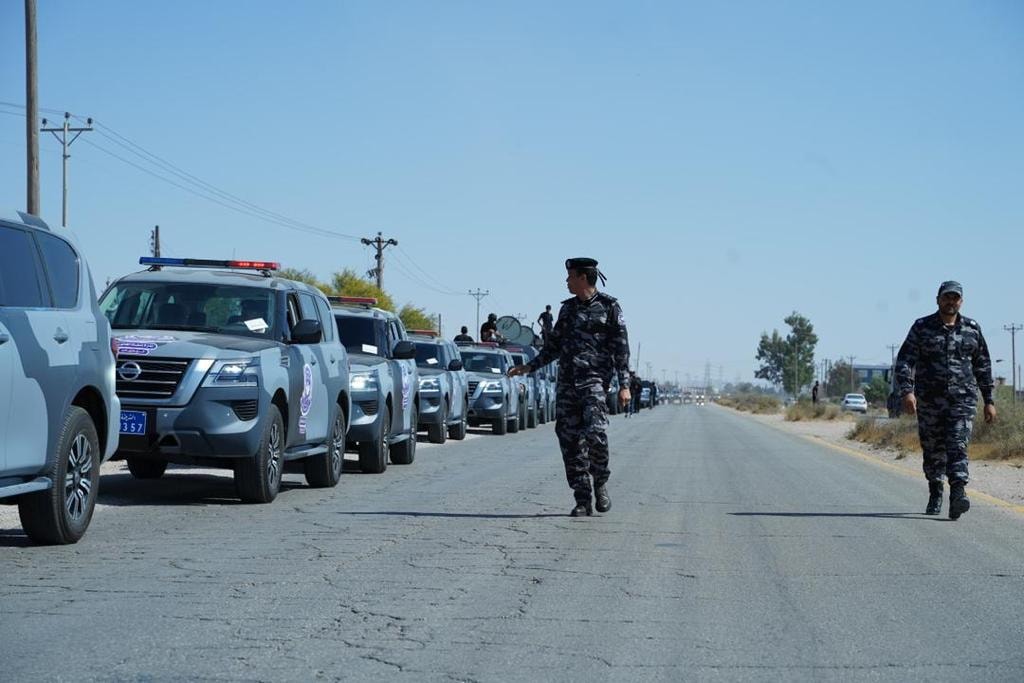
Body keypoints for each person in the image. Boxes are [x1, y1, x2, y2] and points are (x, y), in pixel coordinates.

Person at [509, 258, 630, 517]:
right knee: (569, 440)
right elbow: (553, 347)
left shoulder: (610, 307)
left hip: (594, 382)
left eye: (570, 276)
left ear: (583, 278)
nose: (566, 281)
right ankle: (582, 499)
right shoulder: (567, 310)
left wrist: (625, 385)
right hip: (567, 384)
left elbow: (621, 348)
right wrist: (529, 367)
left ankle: (600, 481)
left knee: (596, 433)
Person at [895, 280, 996, 520]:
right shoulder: (922, 327)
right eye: (947, 297)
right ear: (938, 299)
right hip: (930, 401)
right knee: (933, 449)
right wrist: (907, 391)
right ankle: (936, 490)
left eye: (955, 298)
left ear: (961, 301)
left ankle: (958, 494)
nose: (951, 302)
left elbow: (983, 366)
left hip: (963, 401)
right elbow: (905, 360)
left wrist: (989, 400)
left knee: (958, 445)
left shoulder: (972, 329)